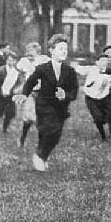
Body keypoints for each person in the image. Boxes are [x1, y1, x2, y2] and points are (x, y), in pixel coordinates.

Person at [13, 34, 79, 172]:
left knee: (54, 135)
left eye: (66, 49)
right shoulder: (42, 68)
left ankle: (42, 155)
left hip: (61, 109)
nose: (64, 52)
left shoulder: (70, 71)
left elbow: (74, 91)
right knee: (49, 129)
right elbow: (30, 81)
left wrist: (65, 95)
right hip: (44, 105)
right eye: (60, 48)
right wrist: (24, 94)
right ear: (51, 50)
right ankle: (40, 156)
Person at [15, 42, 50, 147]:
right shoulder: (23, 62)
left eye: (32, 54)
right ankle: (22, 139)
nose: (29, 56)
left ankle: (43, 141)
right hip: (30, 92)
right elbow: (18, 72)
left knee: (42, 116)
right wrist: (21, 84)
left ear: (38, 53)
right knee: (29, 116)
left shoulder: (44, 60)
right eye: (27, 53)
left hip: (43, 92)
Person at [75, 54, 111, 140]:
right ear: (97, 62)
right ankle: (103, 135)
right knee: (98, 117)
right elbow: (77, 69)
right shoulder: (91, 69)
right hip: (91, 98)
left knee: (110, 116)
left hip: (104, 98)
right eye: (102, 61)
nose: (104, 63)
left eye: (106, 61)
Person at [0, 52, 22, 134]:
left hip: (10, 95)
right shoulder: (1, 70)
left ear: (16, 61)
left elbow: (19, 83)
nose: (10, 62)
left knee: (10, 112)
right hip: (0, 95)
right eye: (9, 60)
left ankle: (5, 128)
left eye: (12, 60)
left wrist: (16, 90)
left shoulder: (16, 72)